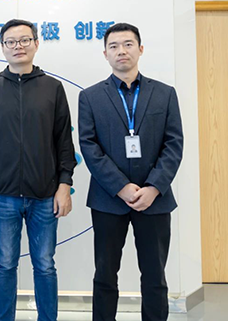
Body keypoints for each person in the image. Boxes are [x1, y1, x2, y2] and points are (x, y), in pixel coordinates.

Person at [0, 19, 76, 321]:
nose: (18, 46)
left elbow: (63, 141)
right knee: (5, 264)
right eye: (11, 42)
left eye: (24, 40)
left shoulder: (52, 88)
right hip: (2, 196)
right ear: (3, 47)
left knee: (44, 265)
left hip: (45, 195)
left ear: (36, 43)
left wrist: (64, 185)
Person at [78, 23, 183, 321]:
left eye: (127, 44)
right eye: (113, 46)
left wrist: (153, 187)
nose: (121, 51)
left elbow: (174, 144)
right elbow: (89, 146)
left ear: (140, 49)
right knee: (105, 274)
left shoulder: (164, 94)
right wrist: (121, 187)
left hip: (155, 201)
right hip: (108, 200)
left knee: (154, 275)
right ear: (105, 54)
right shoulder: (90, 96)